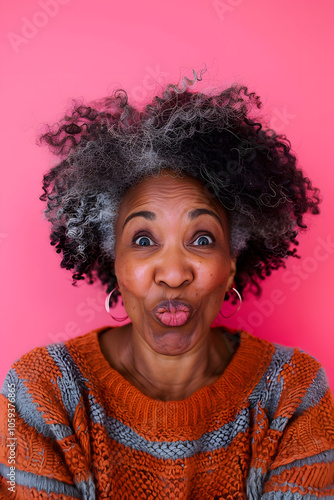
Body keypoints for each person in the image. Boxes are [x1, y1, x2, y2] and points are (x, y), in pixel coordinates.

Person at [0, 70, 333, 499]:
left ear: (230, 265)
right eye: (143, 240)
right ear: (114, 262)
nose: (174, 274)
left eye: (201, 239)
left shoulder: (293, 392)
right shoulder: (37, 393)